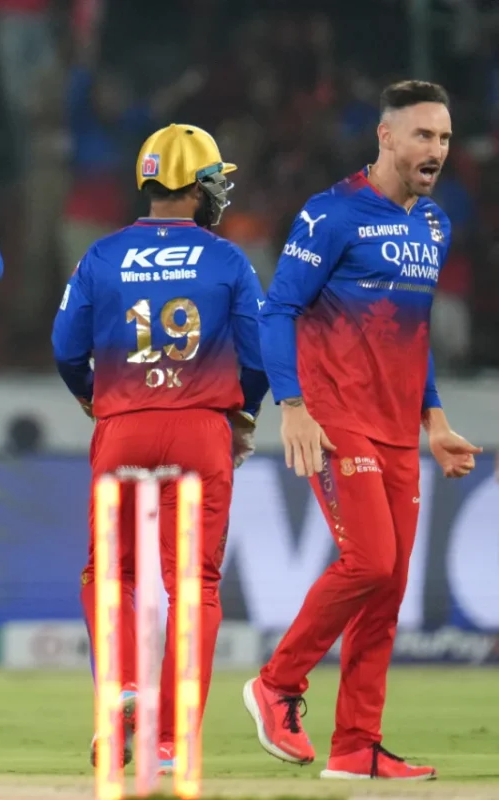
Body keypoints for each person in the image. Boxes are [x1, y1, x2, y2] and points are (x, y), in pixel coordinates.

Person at [243, 80, 482, 781]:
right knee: (372, 561)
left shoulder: (433, 225)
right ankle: (277, 683)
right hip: (335, 417)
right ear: (386, 136)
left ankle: (355, 746)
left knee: (389, 587)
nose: (436, 149)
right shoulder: (331, 214)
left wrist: (434, 418)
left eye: (444, 137)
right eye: (423, 135)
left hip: (398, 428)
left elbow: (412, 331)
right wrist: (292, 405)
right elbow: (277, 309)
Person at [52, 123, 267, 772]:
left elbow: (66, 348)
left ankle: (121, 687)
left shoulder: (102, 255)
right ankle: (170, 740)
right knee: (193, 586)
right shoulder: (228, 260)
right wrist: (243, 414)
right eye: (214, 180)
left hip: (122, 426)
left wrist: (94, 398)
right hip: (201, 429)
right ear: (197, 186)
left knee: (110, 575)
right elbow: (260, 356)